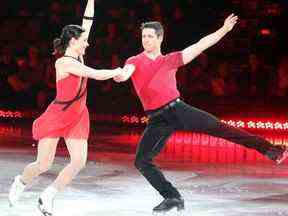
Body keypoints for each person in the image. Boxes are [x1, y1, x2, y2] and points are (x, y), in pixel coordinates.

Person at [114, 14, 288, 213]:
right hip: (157, 119)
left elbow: (200, 45)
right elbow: (126, 72)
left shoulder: (171, 59)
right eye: (143, 36)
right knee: (141, 161)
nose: (145, 40)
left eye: (150, 36)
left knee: (222, 129)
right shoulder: (134, 60)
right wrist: (119, 75)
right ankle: (172, 197)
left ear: (160, 38)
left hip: (178, 110)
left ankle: (271, 150)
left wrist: (223, 30)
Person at [8, 1, 123, 215]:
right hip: (58, 114)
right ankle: (21, 182)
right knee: (43, 164)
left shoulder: (78, 52)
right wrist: (117, 70)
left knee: (78, 161)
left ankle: (48, 196)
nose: (87, 44)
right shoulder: (64, 63)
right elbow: (95, 74)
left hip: (78, 115)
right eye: (84, 41)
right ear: (73, 41)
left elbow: (88, 21)